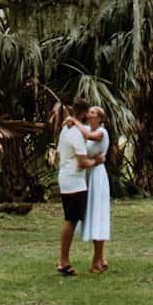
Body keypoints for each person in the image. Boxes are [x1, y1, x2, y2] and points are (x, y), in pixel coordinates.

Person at [54, 98, 102, 276]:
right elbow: (83, 163)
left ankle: (65, 260)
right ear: (83, 114)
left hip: (66, 176)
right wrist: (96, 161)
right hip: (74, 180)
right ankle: (63, 261)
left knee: (72, 219)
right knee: (72, 220)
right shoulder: (76, 134)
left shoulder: (66, 130)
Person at [78, 105, 111, 273]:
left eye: (93, 114)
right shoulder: (84, 128)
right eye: (88, 113)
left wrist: (74, 122)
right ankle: (100, 258)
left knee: (98, 215)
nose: (89, 116)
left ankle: (97, 261)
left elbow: (89, 135)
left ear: (99, 118)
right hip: (88, 172)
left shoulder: (101, 133)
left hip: (97, 175)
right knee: (92, 215)